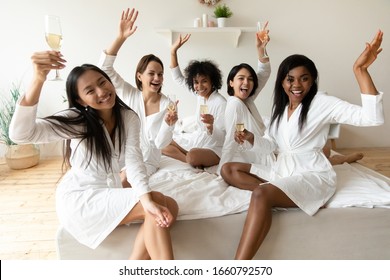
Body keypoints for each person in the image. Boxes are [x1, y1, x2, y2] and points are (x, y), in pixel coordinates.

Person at [221, 30, 384, 259]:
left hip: (311, 174)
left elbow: (372, 118)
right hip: (283, 170)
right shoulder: (280, 108)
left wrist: (360, 71)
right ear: (283, 82)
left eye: (304, 78)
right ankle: (279, 191)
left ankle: (238, 266)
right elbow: (271, 146)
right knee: (228, 169)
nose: (297, 85)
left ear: (312, 80)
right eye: (290, 79)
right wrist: (251, 138)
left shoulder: (321, 103)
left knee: (260, 194)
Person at [9, 51, 179, 260]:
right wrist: (38, 79)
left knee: (169, 205)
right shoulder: (77, 120)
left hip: (108, 191)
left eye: (103, 82)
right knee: (156, 205)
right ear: (80, 101)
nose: (102, 91)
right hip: (82, 199)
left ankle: (132, 267)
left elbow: (135, 163)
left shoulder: (128, 117)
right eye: (90, 90)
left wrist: (146, 199)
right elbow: (21, 134)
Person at [98, 8, 178, 182]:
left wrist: (169, 124)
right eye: (152, 73)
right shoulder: (129, 93)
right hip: (121, 156)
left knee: (125, 180)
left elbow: (161, 144)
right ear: (139, 76)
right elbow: (104, 69)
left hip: (147, 160)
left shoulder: (167, 104)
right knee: (102, 178)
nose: (157, 78)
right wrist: (120, 38)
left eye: (160, 74)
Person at [217, 21, 274, 175]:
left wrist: (260, 48)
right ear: (231, 82)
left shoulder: (246, 99)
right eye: (241, 78)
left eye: (250, 79)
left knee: (324, 151)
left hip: (265, 148)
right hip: (260, 156)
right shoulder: (235, 104)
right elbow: (230, 139)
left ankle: (346, 157)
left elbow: (263, 73)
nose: (246, 82)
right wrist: (220, 171)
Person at [162, 33, 227, 169]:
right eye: (196, 82)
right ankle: (188, 156)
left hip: (215, 148)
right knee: (162, 143)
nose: (199, 86)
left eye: (204, 81)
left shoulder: (221, 103)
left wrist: (211, 126)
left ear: (212, 81)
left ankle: (188, 157)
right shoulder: (200, 96)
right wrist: (173, 51)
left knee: (192, 155)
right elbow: (178, 78)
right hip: (199, 142)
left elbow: (222, 138)